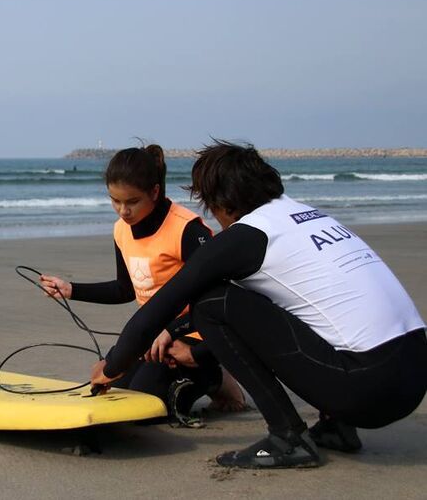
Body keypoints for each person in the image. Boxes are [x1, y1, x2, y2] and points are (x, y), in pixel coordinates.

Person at [90, 140, 427, 468]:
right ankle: (337, 427)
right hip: (413, 374)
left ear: (222, 203)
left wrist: (111, 367)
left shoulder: (249, 234)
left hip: (367, 390)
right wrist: (174, 331)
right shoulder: (309, 215)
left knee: (210, 302)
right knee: (303, 301)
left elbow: (162, 305)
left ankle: (288, 437)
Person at [40, 145, 246, 424]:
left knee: (148, 405)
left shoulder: (186, 229)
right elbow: (125, 289)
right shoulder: (121, 230)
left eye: (132, 202)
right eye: (115, 201)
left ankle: (216, 377)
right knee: (116, 393)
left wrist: (174, 332)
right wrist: (71, 290)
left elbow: (217, 296)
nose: (123, 211)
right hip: (149, 333)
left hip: (195, 333)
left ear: (154, 192)